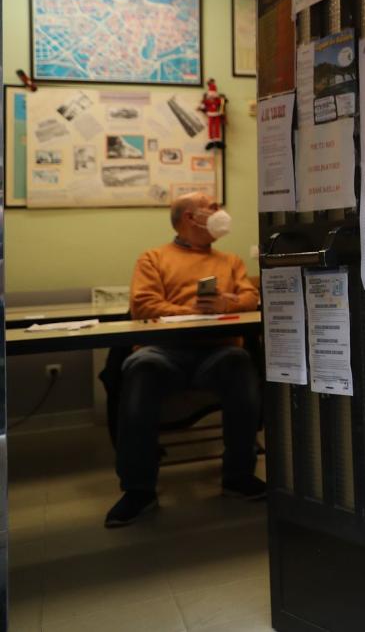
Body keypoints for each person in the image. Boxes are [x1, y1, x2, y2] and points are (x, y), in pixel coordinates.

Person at [105, 191, 264, 528]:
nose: (221, 211)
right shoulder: (153, 258)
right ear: (191, 217)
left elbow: (250, 297)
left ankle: (238, 476)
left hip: (217, 351)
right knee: (140, 368)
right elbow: (144, 306)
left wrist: (226, 306)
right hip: (164, 351)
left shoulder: (231, 261)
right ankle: (138, 489)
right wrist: (191, 311)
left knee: (241, 364)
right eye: (213, 207)